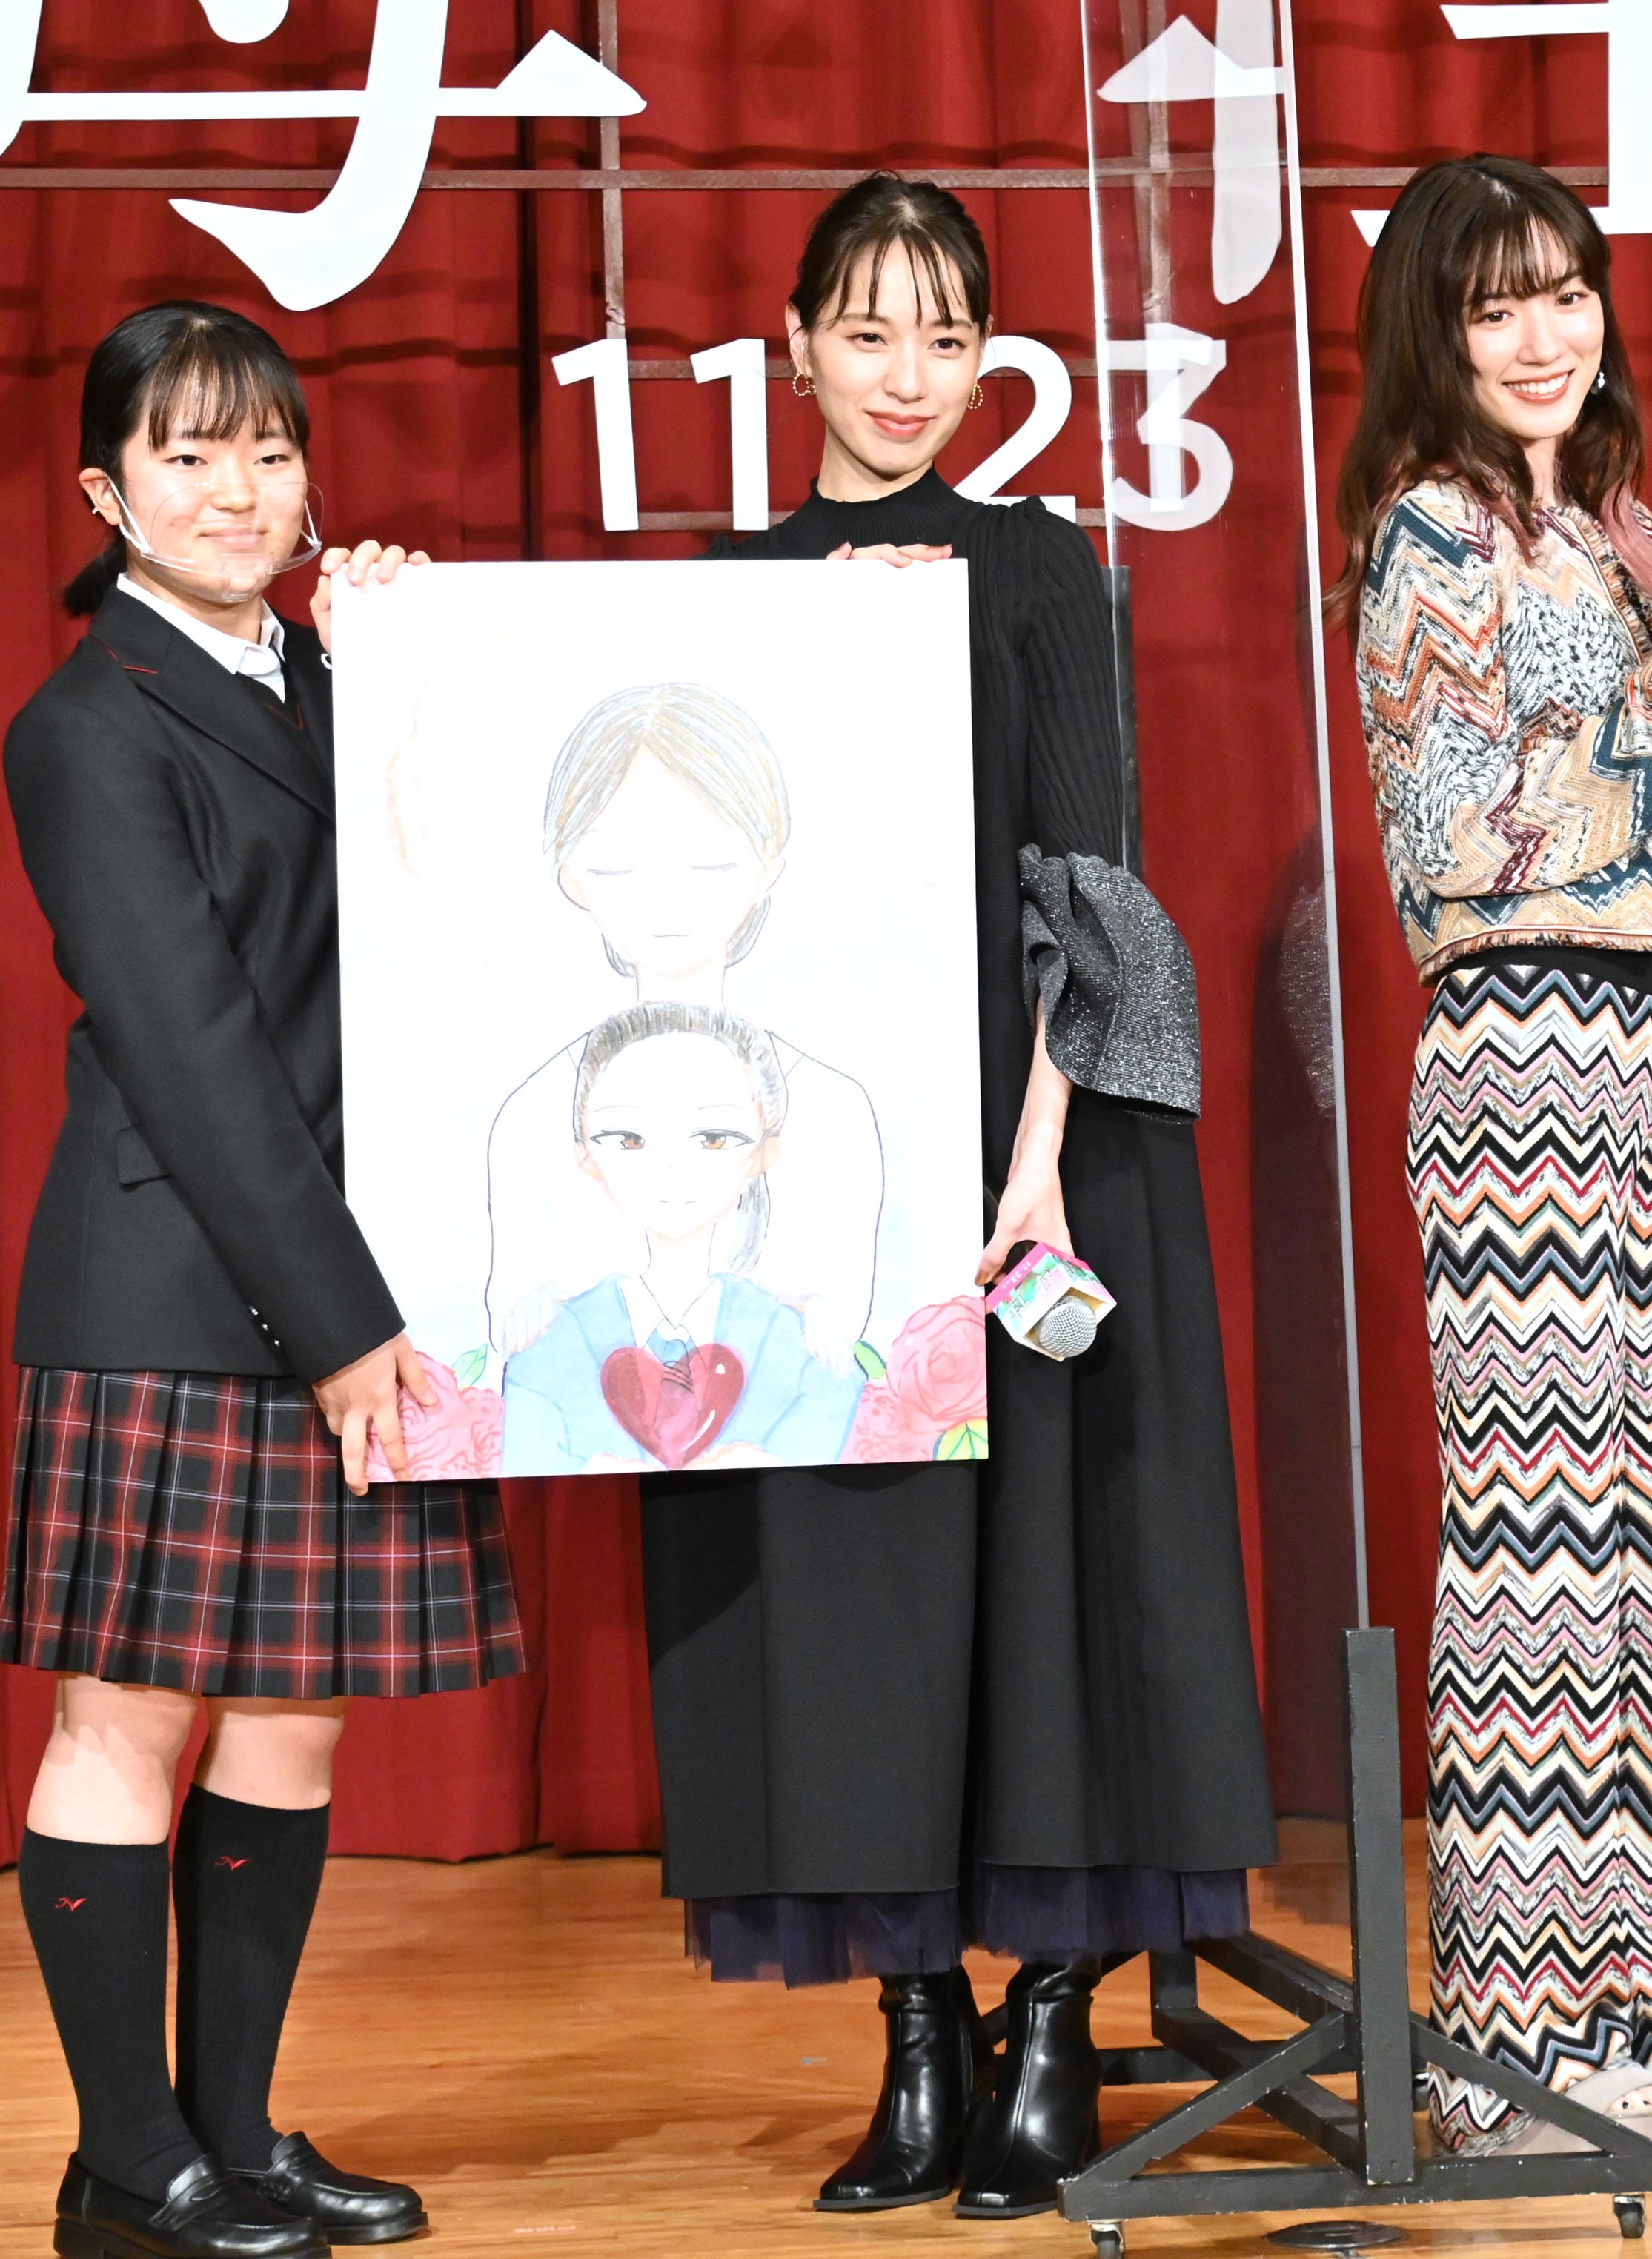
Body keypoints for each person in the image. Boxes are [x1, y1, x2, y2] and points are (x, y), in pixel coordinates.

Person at [634, 173, 1276, 2220]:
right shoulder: (732, 592)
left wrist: (1034, 1168)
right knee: (855, 1609)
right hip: (818, 1161)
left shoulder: (1038, 565)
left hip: (1039, 1151)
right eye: (869, 331)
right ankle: (919, 2040)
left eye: (945, 337)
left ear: (987, 361)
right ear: (795, 347)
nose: (907, 375)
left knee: (1059, 1586)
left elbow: (1092, 884)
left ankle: (1054, 2030)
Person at [0, 302, 516, 2258]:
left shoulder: (340, 675)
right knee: (124, 1724)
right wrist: (347, 1327)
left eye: (271, 451)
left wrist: (404, 664)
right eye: (190, 452)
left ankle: (236, 2132)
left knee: (296, 1720)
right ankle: (127, 2168)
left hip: (346, 1280)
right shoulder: (84, 725)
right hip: (181, 1283)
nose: (239, 490)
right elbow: (196, 1049)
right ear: (105, 490)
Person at [1336, 153, 1652, 2160]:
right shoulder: (1430, 537)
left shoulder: (1620, 541)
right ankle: (1509, 2053)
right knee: (1533, 1559)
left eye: (1569, 290)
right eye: (1497, 300)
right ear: (1433, 333)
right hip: (1515, 1055)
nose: (1545, 334)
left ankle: (1638, 2013)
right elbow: (1462, 834)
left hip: (1635, 1068)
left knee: (1651, 1551)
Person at [482, 680, 884, 1370]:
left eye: (711, 861)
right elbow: (508, 1332)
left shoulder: (832, 1110)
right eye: (617, 864)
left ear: (769, 867)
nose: (666, 897)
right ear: (570, 874)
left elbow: (845, 1339)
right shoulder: (535, 1115)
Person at [500, 1002, 867, 1474]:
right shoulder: (552, 1346)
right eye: (630, 1139)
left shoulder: (800, 1347)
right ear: (586, 1156)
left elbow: (827, 1441)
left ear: (763, 1154)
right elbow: (531, 1462)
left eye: (713, 1138)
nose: (671, 1165)